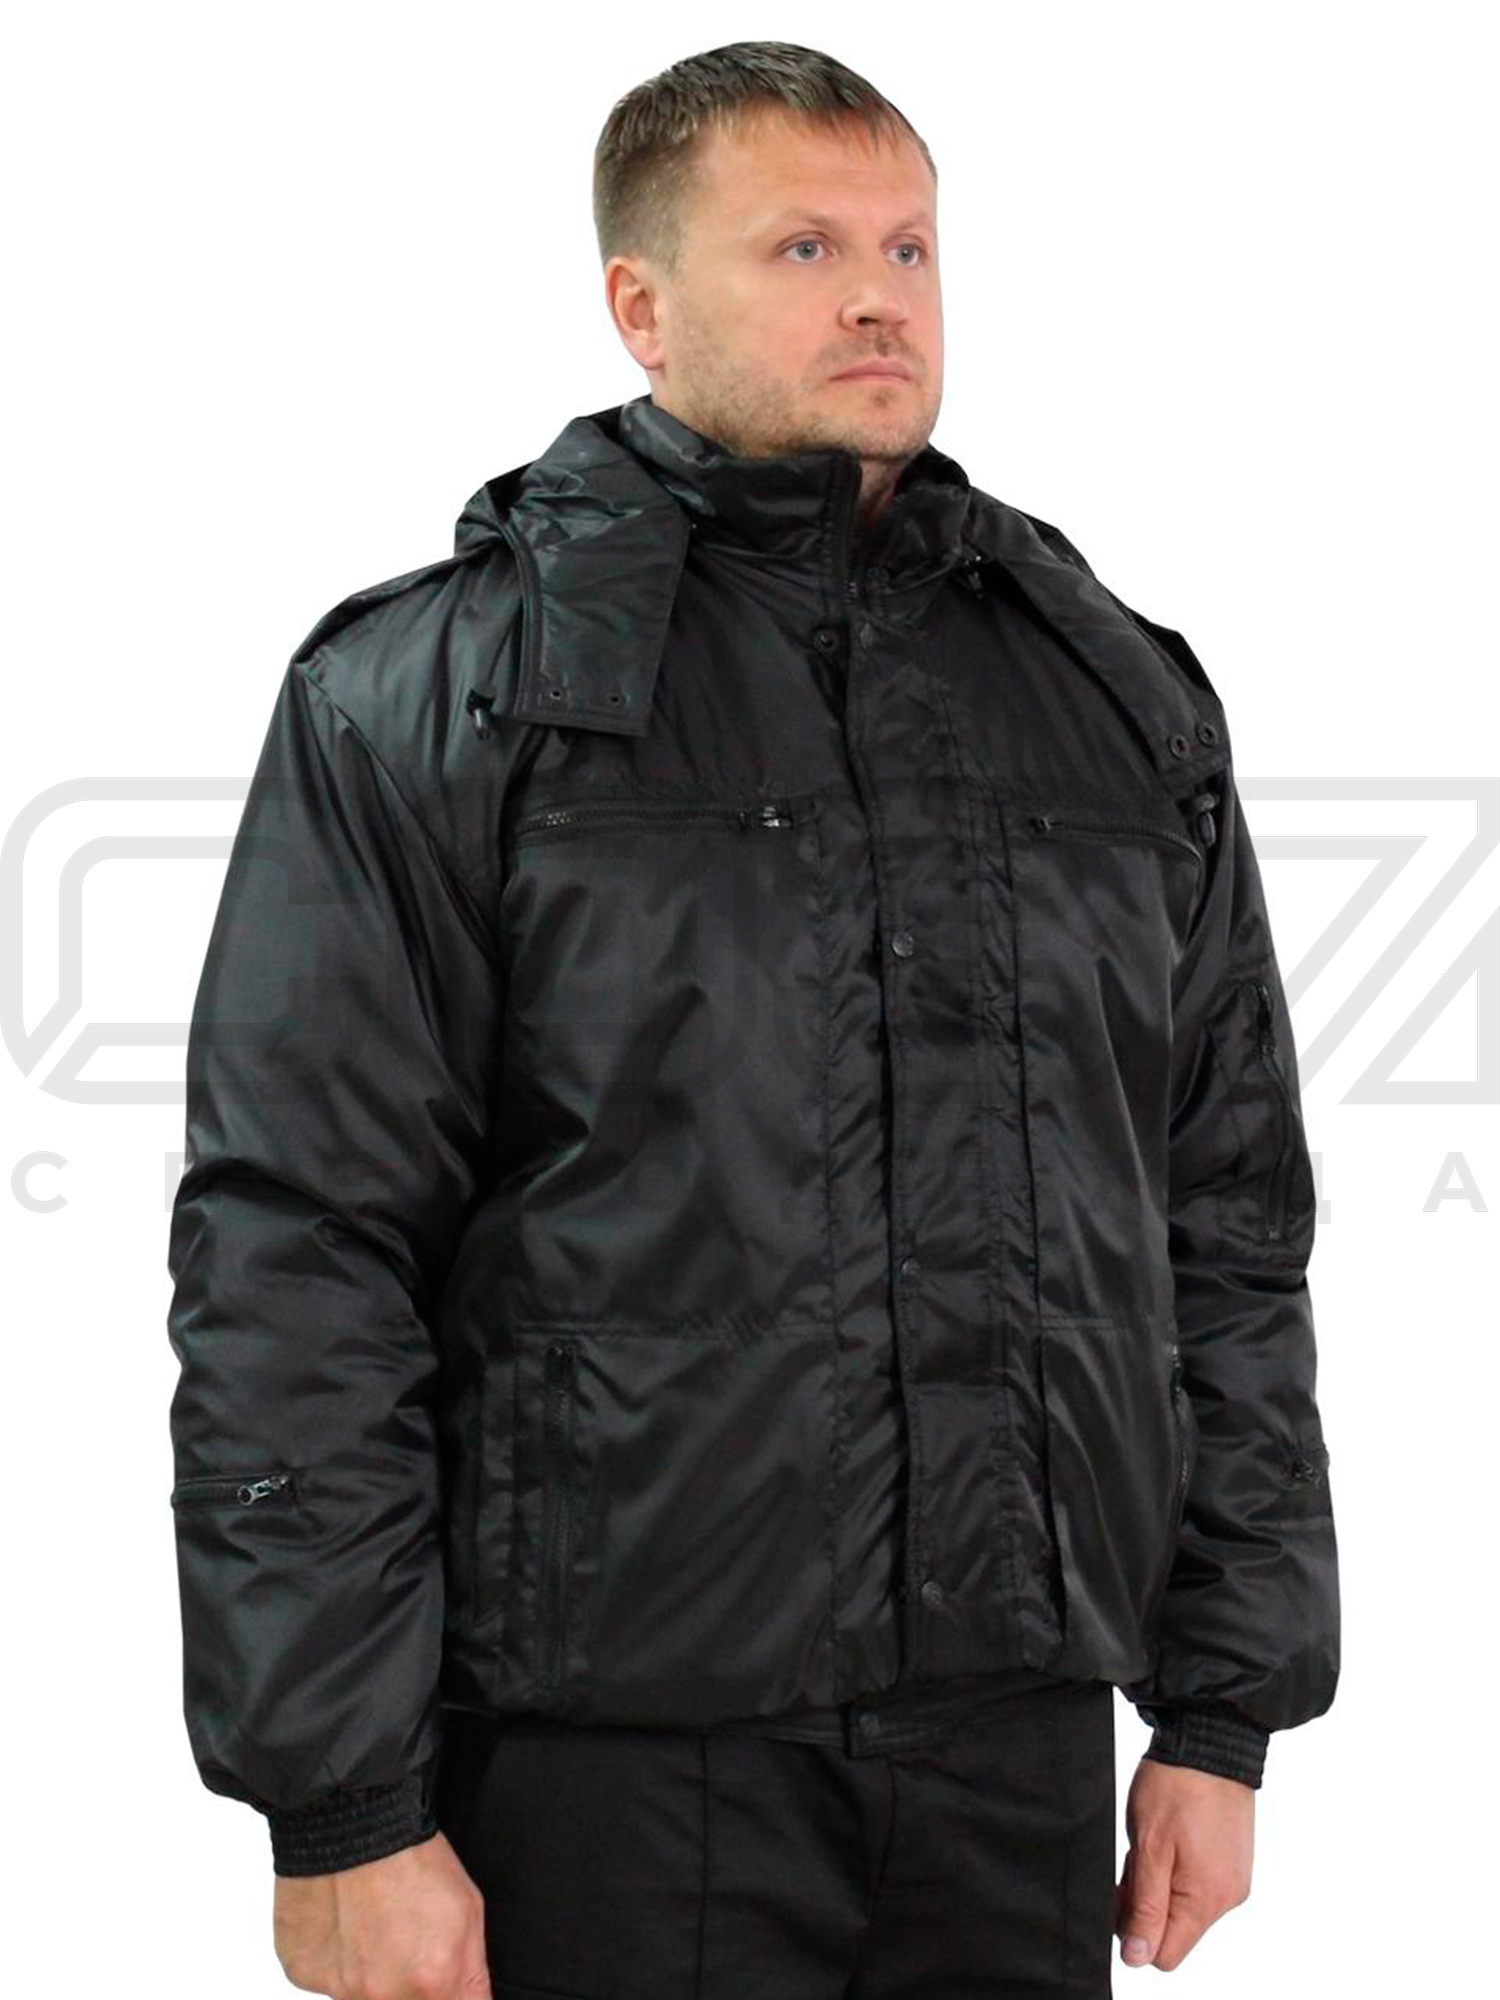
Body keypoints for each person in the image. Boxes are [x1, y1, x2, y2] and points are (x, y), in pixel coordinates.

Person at [165, 38, 1340, 2000]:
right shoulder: (444, 690)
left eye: (908, 246)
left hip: (1016, 1762)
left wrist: (1223, 1709)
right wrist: (344, 1804)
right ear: (640, 305)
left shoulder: (1107, 689)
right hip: (609, 1774)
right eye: (803, 247)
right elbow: (302, 1250)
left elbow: (1223, 1216)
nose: (880, 297)